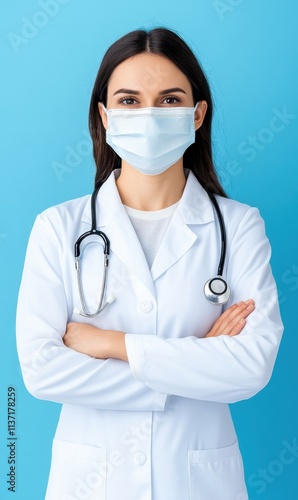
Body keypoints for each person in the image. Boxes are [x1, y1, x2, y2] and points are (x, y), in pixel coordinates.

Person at [16, 28, 283, 500]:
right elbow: (42, 372)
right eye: (129, 101)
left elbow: (251, 367)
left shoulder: (239, 227)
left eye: (170, 100)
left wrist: (110, 343)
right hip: (91, 484)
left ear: (197, 114)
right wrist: (194, 363)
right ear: (104, 116)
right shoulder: (58, 227)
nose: (150, 116)